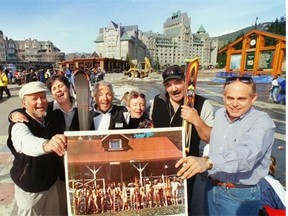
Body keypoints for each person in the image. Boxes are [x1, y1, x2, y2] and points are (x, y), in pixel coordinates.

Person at [175, 76, 276, 215]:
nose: (234, 104)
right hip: (211, 187)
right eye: (230, 98)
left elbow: (246, 157)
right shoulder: (220, 114)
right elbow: (212, 138)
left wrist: (207, 161)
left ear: (253, 98)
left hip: (240, 195)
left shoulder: (262, 122)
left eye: (241, 99)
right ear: (224, 97)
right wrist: (196, 120)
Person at [9, 75, 80, 215]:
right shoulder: (20, 124)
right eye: (34, 99)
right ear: (24, 104)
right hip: (31, 188)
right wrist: (46, 145)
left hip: (53, 183)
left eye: (42, 97)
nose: (40, 102)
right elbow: (25, 142)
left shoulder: (47, 117)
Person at [149, 65, 214, 215]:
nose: (173, 89)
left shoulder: (203, 104)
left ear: (186, 82)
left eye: (177, 82)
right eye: (168, 85)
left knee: (183, 207)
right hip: (161, 165)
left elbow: (211, 138)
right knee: (160, 205)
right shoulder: (156, 102)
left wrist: (196, 120)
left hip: (187, 169)